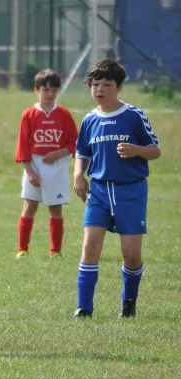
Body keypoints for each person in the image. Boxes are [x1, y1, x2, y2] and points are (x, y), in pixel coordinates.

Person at [73, 59, 160, 319]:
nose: (99, 89)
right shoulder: (89, 119)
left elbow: (155, 150)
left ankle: (128, 302)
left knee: (131, 254)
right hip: (99, 191)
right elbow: (81, 152)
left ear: (119, 87)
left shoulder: (133, 115)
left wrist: (136, 150)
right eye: (95, 84)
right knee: (90, 247)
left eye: (106, 85)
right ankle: (84, 308)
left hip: (130, 191)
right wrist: (79, 174)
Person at [15, 69, 78, 259]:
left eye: (54, 90)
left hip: (56, 167)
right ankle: (22, 249)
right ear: (36, 90)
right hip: (34, 164)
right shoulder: (29, 115)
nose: (50, 94)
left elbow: (75, 142)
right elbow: (23, 144)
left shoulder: (64, 115)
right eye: (46, 89)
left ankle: (55, 251)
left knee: (55, 208)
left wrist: (58, 153)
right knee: (29, 205)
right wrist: (30, 171)